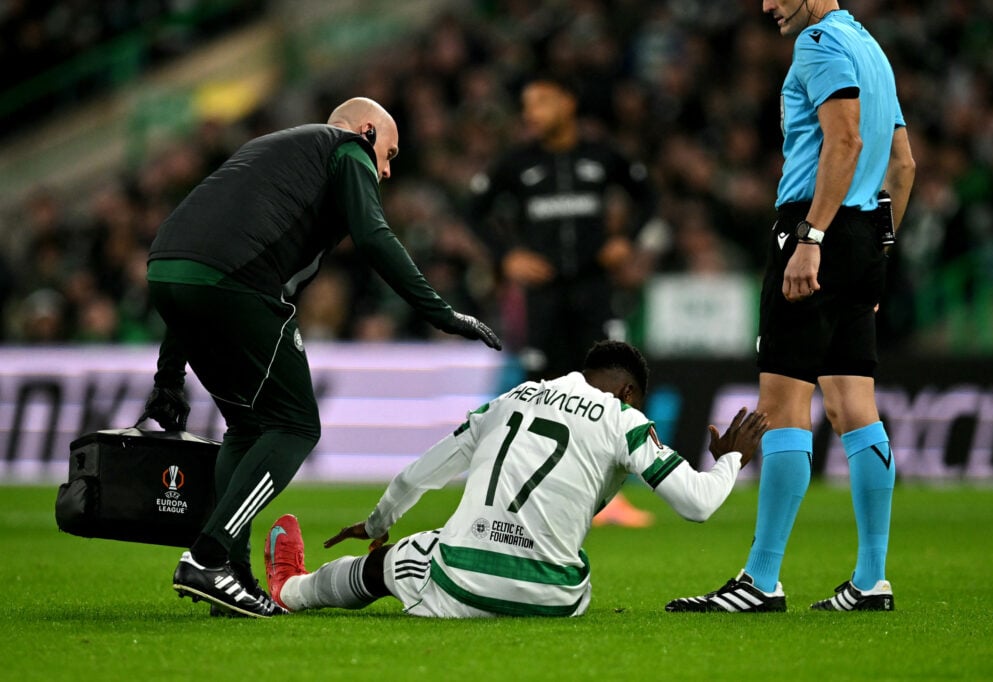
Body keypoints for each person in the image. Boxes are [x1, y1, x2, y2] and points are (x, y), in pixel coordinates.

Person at [138, 97, 502, 619]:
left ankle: (231, 577)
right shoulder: (348, 148)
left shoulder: (271, 154)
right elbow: (374, 236)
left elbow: (198, 260)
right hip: (233, 280)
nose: (387, 170)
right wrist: (442, 314)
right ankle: (208, 557)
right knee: (295, 426)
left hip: (165, 270)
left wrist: (168, 375)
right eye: (389, 153)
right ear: (367, 130)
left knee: (247, 425)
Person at [665, 0, 915, 613]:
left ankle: (761, 579)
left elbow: (846, 140)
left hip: (815, 230)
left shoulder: (818, 44)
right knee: (855, 407)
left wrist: (812, 238)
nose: (767, 5)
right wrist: (875, 253)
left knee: (781, 406)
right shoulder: (872, 50)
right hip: (866, 234)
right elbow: (903, 165)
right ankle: (871, 579)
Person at [263, 340, 768, 618]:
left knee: (399, 557)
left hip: (465, 587)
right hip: (558, 599)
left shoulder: (508, 401)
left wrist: (377, 523)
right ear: (629, 392)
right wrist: (731, 461)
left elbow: (419, 474)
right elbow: (698, 504)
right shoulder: (625, 420)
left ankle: (292, 589)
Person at [467, 73, 663, 528]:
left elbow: (649, 196)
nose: (530, 112)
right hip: (543, 295)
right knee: (542, 391)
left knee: (611, 391)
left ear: (568, 103)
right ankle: (538, 493)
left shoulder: (602, 156)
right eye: (527, 103)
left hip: (595, 289)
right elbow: (473, 211)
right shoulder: (517, 162)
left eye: (541, 101)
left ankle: (610, 496)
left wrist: (627, 239)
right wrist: (507, 256)